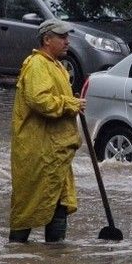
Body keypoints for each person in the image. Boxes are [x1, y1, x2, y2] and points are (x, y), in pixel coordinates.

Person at [9, 19, 86, 243]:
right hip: (39, 152)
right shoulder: (36, 65)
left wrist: (72, 102)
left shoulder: (57, 66)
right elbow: (39, 100)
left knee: (59, 202)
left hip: (56, 152)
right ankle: (18, 253)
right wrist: (71, 104)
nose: (67, 42)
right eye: (62, 38)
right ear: (47, 40)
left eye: (67, 38)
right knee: (29, 203)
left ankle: (54, 259)